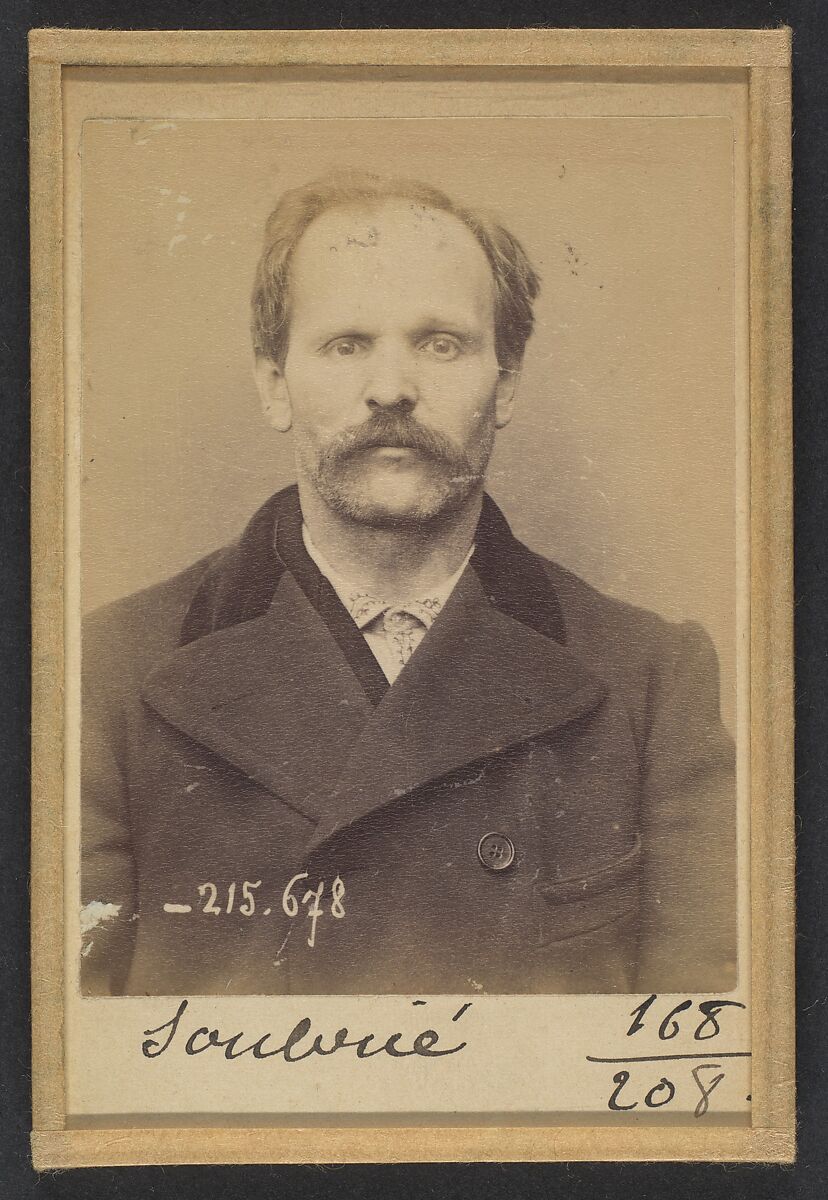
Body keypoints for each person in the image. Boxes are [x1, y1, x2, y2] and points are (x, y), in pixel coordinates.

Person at [81, 171, 737, 996]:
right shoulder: (100, 677)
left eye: (441, 343)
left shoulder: (652, 681)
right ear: (274, 385)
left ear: (506, 385)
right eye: (346, 343)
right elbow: (71, 1076)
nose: (391, 388)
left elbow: (699, 1067)